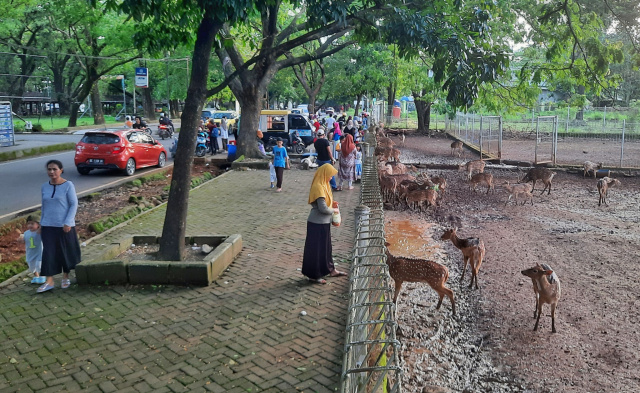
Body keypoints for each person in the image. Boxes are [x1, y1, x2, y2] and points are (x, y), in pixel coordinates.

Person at [37, 160, 81, 293]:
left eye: (54, 169)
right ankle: (49, 281)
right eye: (49, 169)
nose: (51, 172)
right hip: (48, 226)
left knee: (65, 251)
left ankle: (65, 277)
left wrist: (68, 222)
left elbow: (74, 204)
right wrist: (41, 223)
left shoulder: (68, 185)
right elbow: (44, 206)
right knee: (48, 253)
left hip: (64, 226)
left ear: (61, 170)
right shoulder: (45, 186)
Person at [301, 164, 348, 284]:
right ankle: (314, 275)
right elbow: (323, 209)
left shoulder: (324, 185)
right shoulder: (318, 186)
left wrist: (332, 203)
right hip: (317, 222)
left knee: (326, 248)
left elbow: (326, 203)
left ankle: (330, 269)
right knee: (316, 250)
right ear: (324, 174)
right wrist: (334, 210)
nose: (331, 178)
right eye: (330, 175)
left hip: (324, 222)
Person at [24, 214, 45, 284]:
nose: (30, 225)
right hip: (30, 253)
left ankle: (42, 276)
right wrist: (20, 239)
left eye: (32, 224)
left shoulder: (39, 232)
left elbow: (44, 228)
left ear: (38, 224)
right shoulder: (26, 233)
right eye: (28, 224)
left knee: (39, 265)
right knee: (32, 267)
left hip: (39, 253)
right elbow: (23, 240)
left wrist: (40, 227)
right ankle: (36, 277)